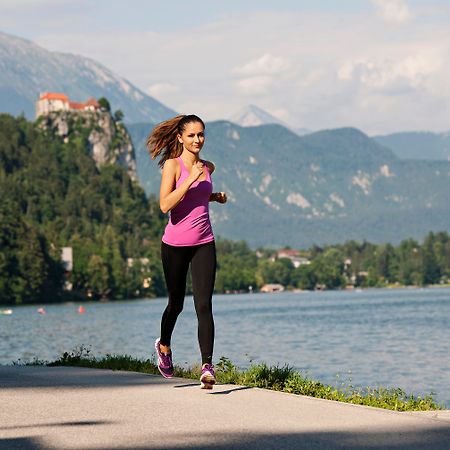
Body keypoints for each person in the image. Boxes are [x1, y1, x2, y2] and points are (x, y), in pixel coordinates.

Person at [147, 114, 227, 389]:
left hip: (204, 241)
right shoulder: (172, 165)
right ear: (180, 137)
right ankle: (165, 346)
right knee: (176, 303)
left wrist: (213, 197)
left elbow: (197, 197)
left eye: (201, 134)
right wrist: (189, 179)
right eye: (192, 135)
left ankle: (207, 366)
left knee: (204, 305)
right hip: (175, 246)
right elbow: (165, 205)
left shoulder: (208, 167)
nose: (197, 140)